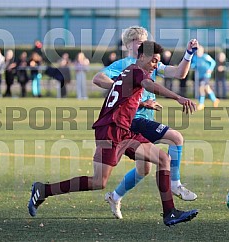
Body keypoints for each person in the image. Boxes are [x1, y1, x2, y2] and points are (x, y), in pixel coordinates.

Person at [28, 41, 198, 226]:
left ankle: (170, 213)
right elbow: (149, 85)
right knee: (98, 181)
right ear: (142, 57)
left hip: (124, 131)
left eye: (158, 62)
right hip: (110, 130)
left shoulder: (129, 72)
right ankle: (43, 190)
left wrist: (141, 104)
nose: (155, 66)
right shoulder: (137, 72)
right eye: (154, 61)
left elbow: (123, 97)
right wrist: (178, 97)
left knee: (163, 159)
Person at [92, 26, 198, 219]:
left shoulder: (152, 63)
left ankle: (114, 197)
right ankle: (175, 184)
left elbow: (179, 73)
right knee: (175, 137)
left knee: (144, 169)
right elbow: (98, 78)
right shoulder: (124, 64)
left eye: (144, 40)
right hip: (133, 119)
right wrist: (120, 86)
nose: (142, 43)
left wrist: (189, 54)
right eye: (138, 41)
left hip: (142, 120)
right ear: (128, 45)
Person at [191, 45, 219, 110]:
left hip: (206, 75)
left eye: (199, 51)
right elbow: (193, 64)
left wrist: (210, 69)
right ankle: (214, 100)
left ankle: (201, 103)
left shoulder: (205, 57)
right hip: (200, 75)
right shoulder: (195, 58)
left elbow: (213, 62)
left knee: (201, 88)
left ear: (202, 51)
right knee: (207, 88)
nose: (198, 52)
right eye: (197, 51)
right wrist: (192, 66)